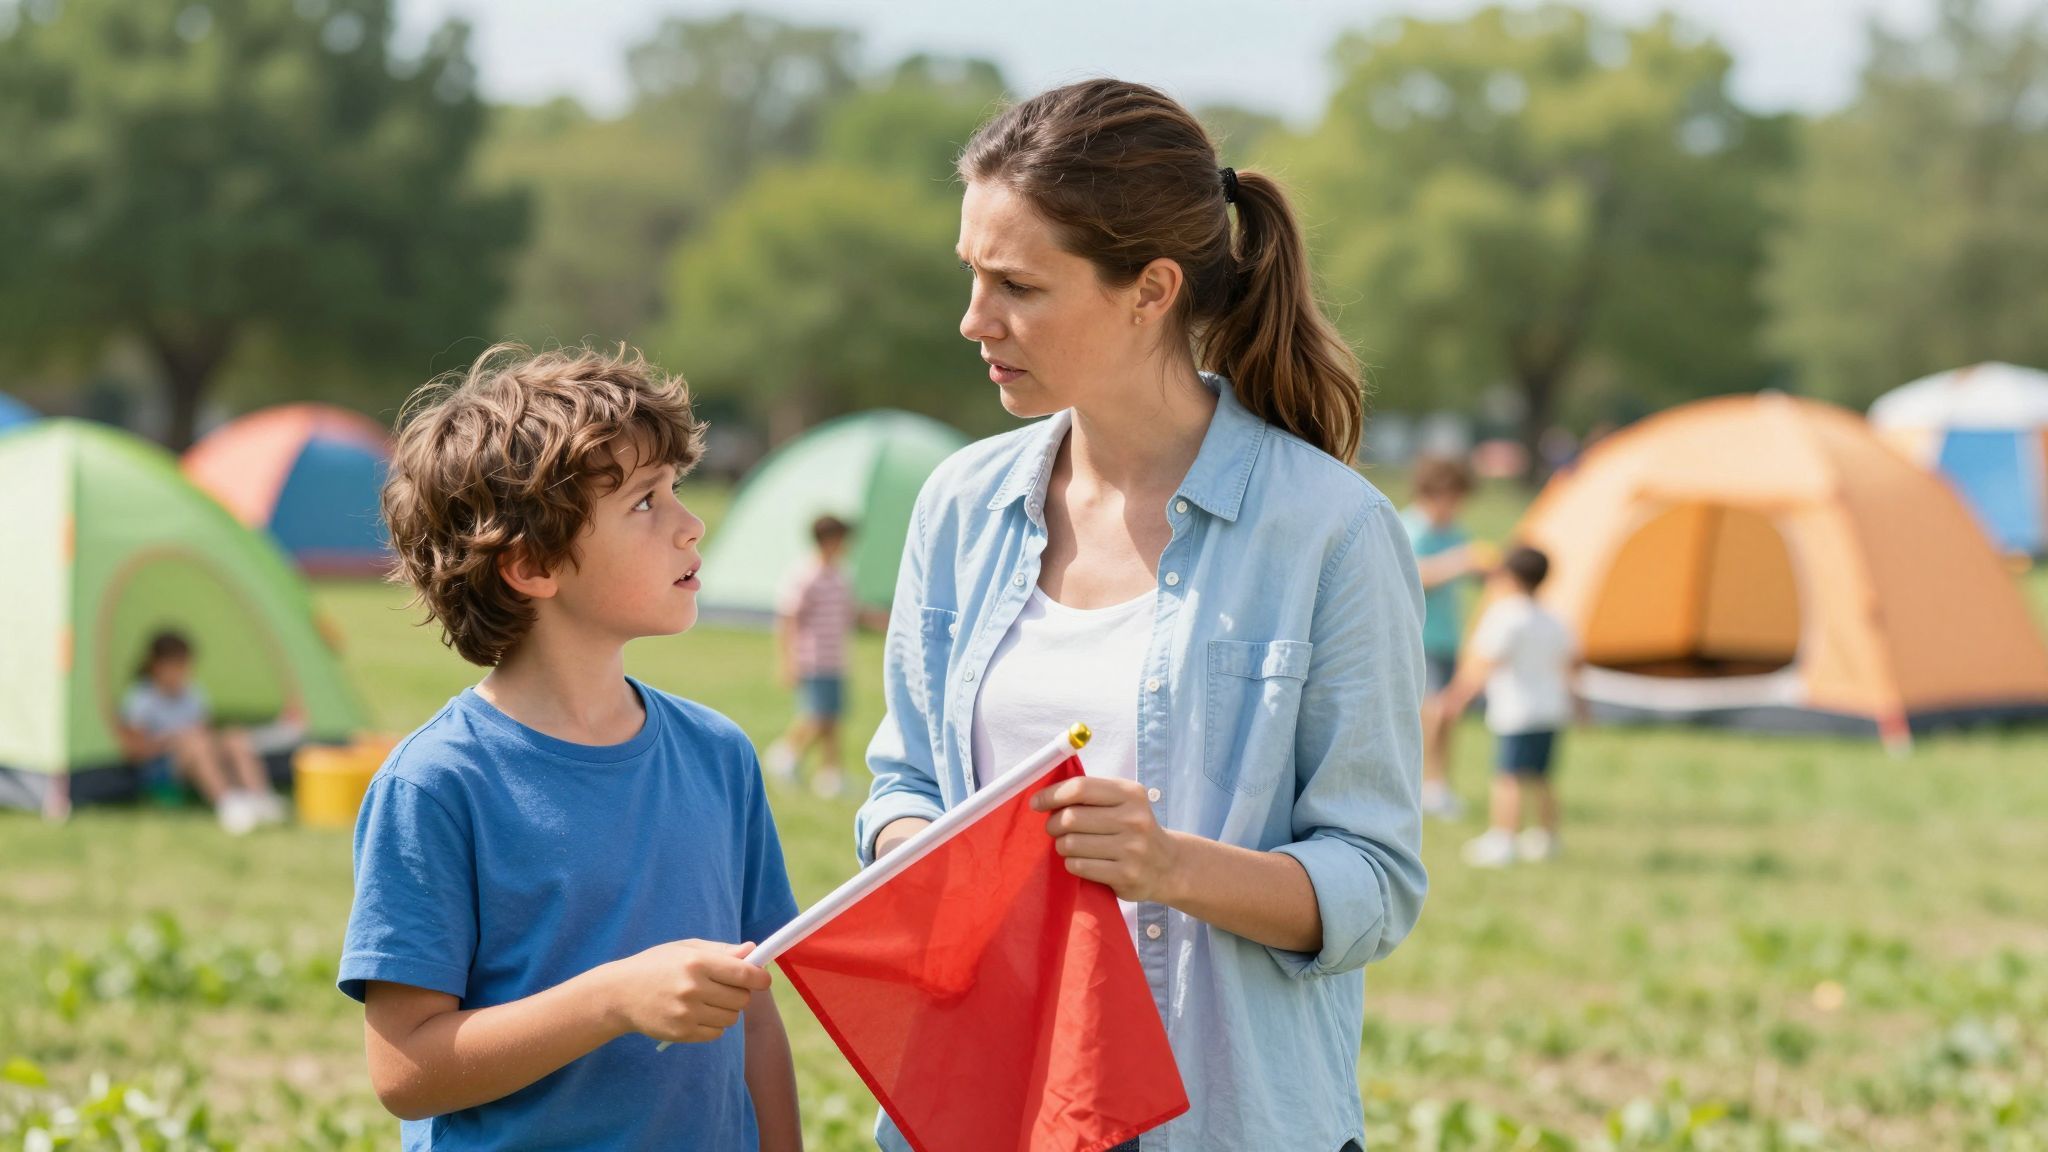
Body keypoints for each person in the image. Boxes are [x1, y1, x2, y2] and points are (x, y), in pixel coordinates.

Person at [855, 79, 1427, 1152]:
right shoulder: (959, 506)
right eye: (971, 276)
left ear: (1149, 289)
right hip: (980, 1113)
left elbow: (1374, 884)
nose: (974, 320)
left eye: (1017, 284)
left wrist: (1166, 865)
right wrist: (940, 856)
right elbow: (902, 787)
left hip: (1226, 1122)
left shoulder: (1332, 532)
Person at [338, 345, 801, 1151]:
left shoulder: (720, 757)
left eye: (677, 490)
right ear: (532, 564)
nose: (692, 524)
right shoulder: (436, 786)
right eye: (645, 504)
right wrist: (611, 1001)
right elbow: (407, 1071)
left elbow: (754, 1019)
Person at [1439, 546, 1582, 868]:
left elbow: (1486, 662)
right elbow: (1572, 664)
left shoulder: (1504, 615)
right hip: (1550, 709)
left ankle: (1503, 838)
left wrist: (1457, 698)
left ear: (1509, 576)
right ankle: (1547, 837)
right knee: (1543, 776)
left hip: (1517, 711)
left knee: (1508, 777)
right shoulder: (1555, 618)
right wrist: (1580, 706)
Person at [117, 630, 288, 835]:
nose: (181, 673)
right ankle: (228, 803)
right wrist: (172, 740)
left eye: (185, 667)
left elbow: (207, 731)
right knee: (194, 743)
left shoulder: (193, 693)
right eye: (176, 667)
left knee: (234, 736)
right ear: (157, 667)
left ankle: (259, 796)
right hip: (163, 765)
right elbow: (134, 751)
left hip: (199, 753)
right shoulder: (141, 699)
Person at [1403, 455, 1483, 819]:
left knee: (1447, 714)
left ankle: (1439, 785)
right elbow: (1413, 576)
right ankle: (1422, 786)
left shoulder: (1453, 532)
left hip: (1447, 636)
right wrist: (1460, 562)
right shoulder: (1411, 527)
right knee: (1432, 712)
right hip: (1420, 635)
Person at [765, 514, 856, 798]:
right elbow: (788, 618)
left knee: (833, 718)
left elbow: (848, 614)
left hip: (835, 658)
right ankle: (784, 756)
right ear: (829, 540)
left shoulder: (840, 575)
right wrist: (788, 660)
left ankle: (830, 774)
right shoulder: (806, 575)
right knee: (816, 715)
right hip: (812, 658)